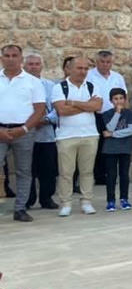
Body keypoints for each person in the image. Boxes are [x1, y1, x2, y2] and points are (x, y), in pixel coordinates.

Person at [0, 44, 46, 222]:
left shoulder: (33, 82)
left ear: (21, 59)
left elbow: (39, 109)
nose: (10, 59)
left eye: (14, 55)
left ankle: (20, 208)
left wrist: (24, 129)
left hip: (24, 131)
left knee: (24, 171)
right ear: (2, 58)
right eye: (7, 55)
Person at [53, 56, 101, 217]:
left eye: (86, 69)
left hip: (90, 134)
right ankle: (65, 203)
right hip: (66, 136)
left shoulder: (92, 86)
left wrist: (73, 103)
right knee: (66, 172)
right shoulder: (60, 87)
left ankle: (86, 201)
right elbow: (62, 110)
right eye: (79, 68)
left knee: (87, 171)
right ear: (70, 69)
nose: (83, 72)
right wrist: (87, 105)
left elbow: (98, 106)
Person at [22, 52, 59, 211]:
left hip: (46, 135)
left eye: (37, 64)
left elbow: (57, 108)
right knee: (26, 170)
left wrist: (44, 120)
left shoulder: (50, 86)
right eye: (30, 64)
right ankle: (27, 200)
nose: (33, 67)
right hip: (24, 135)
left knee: (48, 169)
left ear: (42, 66)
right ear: (24, 66)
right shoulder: (20, 84)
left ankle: (47, 198)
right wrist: (28, 123)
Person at [98, 87, 132, 211]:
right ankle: (110, 200)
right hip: (110, 149)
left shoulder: (129, 114)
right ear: (111, 100)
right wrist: (117, 113)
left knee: (124, 174)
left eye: (121, 98)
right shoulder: (107, 114)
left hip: (125, 148)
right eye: (115, 99)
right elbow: (110, 127)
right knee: (111, 175)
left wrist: (113, 134)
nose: (118, 101)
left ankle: (124, 199)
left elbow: (131, 130)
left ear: (125, 100)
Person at [86, 49, 127, 114]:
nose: (105, 64)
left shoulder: (118, 77)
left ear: (112, 63)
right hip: (96, 115)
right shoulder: (88, 76)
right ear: (96, 62)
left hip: (115, 114)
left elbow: (125, 97)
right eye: (102, 62)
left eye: (108, 62)